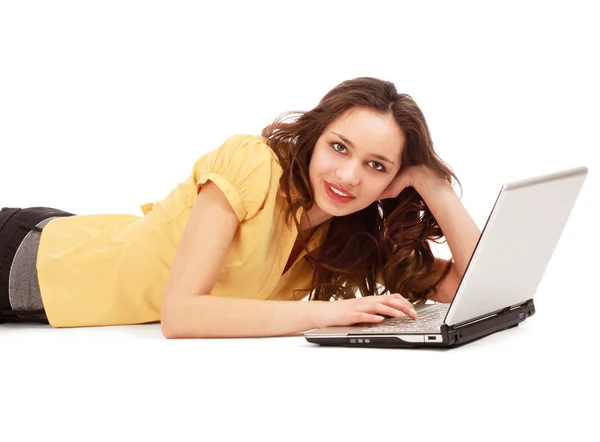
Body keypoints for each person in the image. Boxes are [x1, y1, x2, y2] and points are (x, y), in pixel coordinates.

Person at [0, 77, 481, 338]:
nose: (350, 176)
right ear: (314, 141)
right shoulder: (252, 164)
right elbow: (182, 315)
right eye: (339, 148)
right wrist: (332, 314)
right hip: (28, 263)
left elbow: (472, 284)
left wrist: (430, 181)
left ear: (390, 182)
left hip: (72, 254)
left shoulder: (344, 236)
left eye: (377, 165)